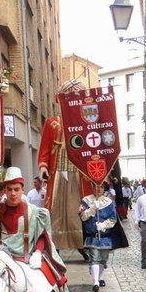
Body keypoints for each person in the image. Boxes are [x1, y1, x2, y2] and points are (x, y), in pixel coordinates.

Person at [38, 81, 94, 255]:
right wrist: (43, 167)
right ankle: (55, 245)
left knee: (79, 210)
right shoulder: (52, 123)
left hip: (79, 174)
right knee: (56, 210)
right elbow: (45, 149)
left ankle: (82, 244)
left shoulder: (85, 122)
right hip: (58, 173)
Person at [79, 181, 128, 292]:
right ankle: (95, 281)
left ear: (104, 189)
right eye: (96, 186)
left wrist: (104, 225)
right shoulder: (85, 200)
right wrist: (91, 209)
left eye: (101, 187)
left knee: (104, 258)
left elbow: (113, 219)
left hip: (105, 236)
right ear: (92, 187)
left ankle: (100, 277)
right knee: (94, 257)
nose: (98, 189)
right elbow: (82, 216)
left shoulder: (109, 202)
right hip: (92, 236)